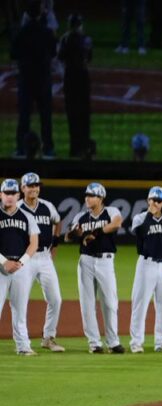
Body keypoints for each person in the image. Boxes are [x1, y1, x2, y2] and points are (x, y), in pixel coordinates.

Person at [67, 182, 126, 354]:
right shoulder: (81, 217)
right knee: (87, 303)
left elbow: (116, 224)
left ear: (101, 198)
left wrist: (96, 232)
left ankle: (113, 342)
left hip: (105, 261)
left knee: (109, 302)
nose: (87, 198)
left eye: (91, 195)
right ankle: (94, 343)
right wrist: (74, 233)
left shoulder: (111, 211)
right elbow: (67, 237)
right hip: (85, 261)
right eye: (86, 195)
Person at [128, 186, 162, 353]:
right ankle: (136, 342)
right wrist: (150, 214)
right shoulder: (140, 218)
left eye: (159, 200)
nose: (155, 203)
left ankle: (161, 342)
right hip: (146, 264)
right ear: (147, 200)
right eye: (152, 199)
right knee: (140, 304)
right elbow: (140, 235)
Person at [18, 172, 64, 352]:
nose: (34, 188)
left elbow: (57, 221)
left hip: (45, 258)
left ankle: (48, 338)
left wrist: (55, 243)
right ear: (22, 188)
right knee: (21, 301)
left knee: (56, 299)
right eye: (30, 185)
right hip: (25, 258)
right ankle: (22, 342)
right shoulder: (17, 207)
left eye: (36, 185)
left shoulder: (47, 206)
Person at [11, 1, 56, 159]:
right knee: (46, 116)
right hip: (43, 80)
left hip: (26, 80)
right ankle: (48, 149)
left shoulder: (22, 32)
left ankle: (20, 149)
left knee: (24, 116)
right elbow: (53, 51)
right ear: (39, 13)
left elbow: (13, 54)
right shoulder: (46, 31)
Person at [0, 178, 40, 355]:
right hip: (0, 267)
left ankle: (23, 345)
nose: (9, 197)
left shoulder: (27, 216)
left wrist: (21, 263)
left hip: (20, 267)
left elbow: (34, 243)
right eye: (6, 193)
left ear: (18, 195)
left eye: (12, 193)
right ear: (1, 195)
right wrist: (4, 262)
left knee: (20, 309)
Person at [57, 13, 92, 159]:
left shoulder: (65, 39)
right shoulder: (87, 39)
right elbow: (89, 57)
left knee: (72, 115)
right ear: (80, 25)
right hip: (83, 78)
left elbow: (60, 57)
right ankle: (85, 148)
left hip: (70, 77)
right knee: (84, 115)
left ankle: (74, 148)